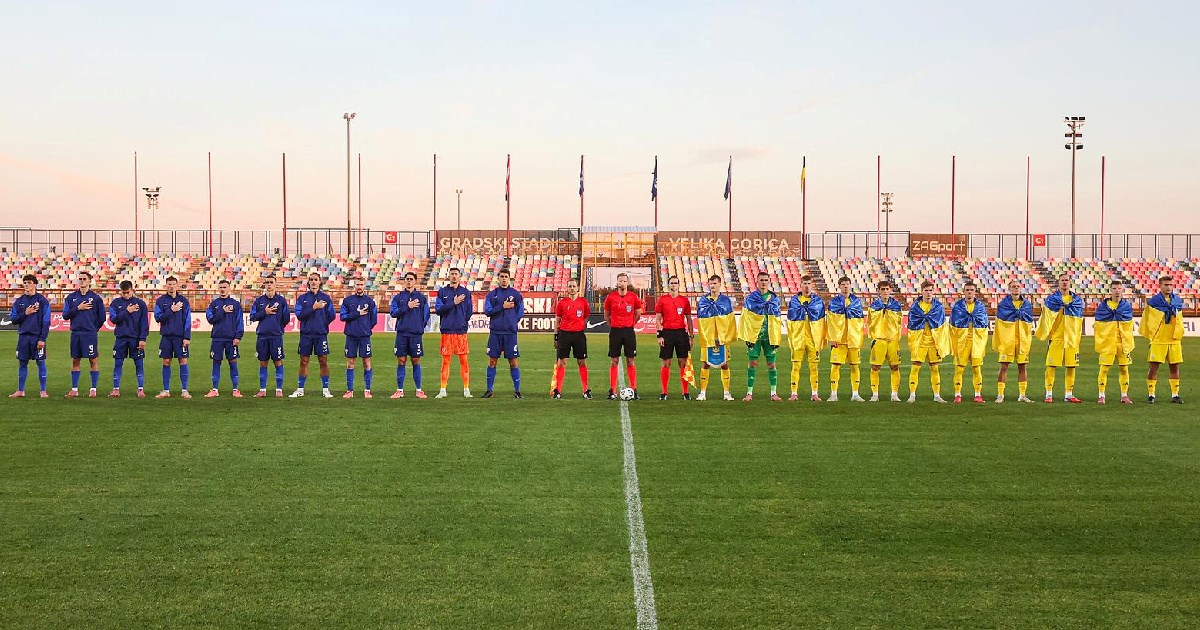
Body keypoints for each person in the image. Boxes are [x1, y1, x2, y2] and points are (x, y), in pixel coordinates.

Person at [1035, 273, 1084, 403]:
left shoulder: (1076, 300)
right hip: (1056, 338)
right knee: (1051, 366)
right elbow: (1046, 317)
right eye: (1062, 280)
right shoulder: (1052, 300)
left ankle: (1069, 394)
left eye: (1066, 280)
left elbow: (1079, 319)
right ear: (1059, 282)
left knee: (1071, 366)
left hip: (1071, 338)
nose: (1064, 282)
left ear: (1070, 282)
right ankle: (1048, 394)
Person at [738, 271, 782, 402]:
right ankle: (749, 393)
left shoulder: (774, 298)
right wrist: (747, 336)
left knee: (771, 364)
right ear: (757, 281)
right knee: (752, 363)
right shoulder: (751, 298)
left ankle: (773, 393)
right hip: (755, 336)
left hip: (769, 336)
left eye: (765, 280)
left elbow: (777, 318)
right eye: (761, 280)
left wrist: (777, 337)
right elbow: (746, 317)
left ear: (769, 281)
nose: (763, 282)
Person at [290, 272, 335, 398]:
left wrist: (322, 323)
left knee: (323, 361)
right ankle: (300, 389)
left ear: (320, 282)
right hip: (306, 334)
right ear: (308, 282)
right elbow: (299, 315)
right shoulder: (302, 298)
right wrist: (313, 308)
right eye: (311, 280)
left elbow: (331, 315)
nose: (314, 282)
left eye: (316, 279)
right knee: (304, 361)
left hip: (321, 334)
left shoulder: (326, 298)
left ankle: (325, 389)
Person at [1141, 274, 1185, 404]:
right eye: (1166, 285)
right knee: (1153, 368)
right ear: (1160, 286)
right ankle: (1151, 394)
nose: (1169, 287)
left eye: (1170, 285)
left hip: (1174, 339)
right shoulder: (1153, 302)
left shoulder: (1177, 301)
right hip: (1159, 340)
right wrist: (1151, 335)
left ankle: (1175, 395)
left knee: (1175, 368)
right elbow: (1147, 320)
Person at [62, 270, 105, 398]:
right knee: (75, 360)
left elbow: (102, 318)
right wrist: (77, 308)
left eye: (84, 279)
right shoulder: (71, 298)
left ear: (89, 281)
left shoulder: (96, 299)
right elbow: (65, 315)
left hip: (90, 334)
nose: (81, 281)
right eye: (80, 279)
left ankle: (93, 389)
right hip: (76, 333)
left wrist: (93, 328)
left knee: (93, 360)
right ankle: (74, 389)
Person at [906, 280, 950, 403]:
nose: (928, 293)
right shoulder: (915, 307)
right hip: (919, 341)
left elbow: (942, 325)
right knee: (915, 368)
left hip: (933, 342)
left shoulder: (938, 307)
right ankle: (912, 395)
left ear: (933, 291)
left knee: (935, 368)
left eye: (930, 290)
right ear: (922, 292)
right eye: (926, 290)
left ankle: (937, 395)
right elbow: (911, 324)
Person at [483, 268, 524, 398]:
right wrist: (502, 307)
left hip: (510, 333)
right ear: (498, 279)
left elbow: (520, 312)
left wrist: (512, 321)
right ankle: (489, 390)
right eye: (502, 276)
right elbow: (487, 311)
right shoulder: (492, 295)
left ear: (509, 279)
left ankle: (517, 391)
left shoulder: (516, 294)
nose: (504, 279)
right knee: (492, 361)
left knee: (513, 362)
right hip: (495, 332)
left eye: (506, 277)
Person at [9, 274, 51, 398]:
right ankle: (20, 391)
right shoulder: (19, 301)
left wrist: (42, 339)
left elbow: (46, 321)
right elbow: (13, 319)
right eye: (25, 283)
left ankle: (43, 391)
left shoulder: (42, 301)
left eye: (29, 282)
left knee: (40, 362)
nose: (26, 285)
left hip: (37, 337)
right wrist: (25, 313)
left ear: (35, 284)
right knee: (22, 363)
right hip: (23, 337)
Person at [389, 271, 430, 399]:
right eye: (407, 279)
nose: (409, 281)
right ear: (404, 281)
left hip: (415, 334)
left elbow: (426, 315)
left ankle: (419, 390)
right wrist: (407, 306)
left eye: (411, 279)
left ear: (415, 281)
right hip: (402, 334)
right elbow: (393, 313)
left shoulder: (421, 298)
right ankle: (400, 390)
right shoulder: (398, 298)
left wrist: (419, 326)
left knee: (416, 360)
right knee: (401, 361)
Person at [695, 275, 736, 401]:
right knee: (705, 364)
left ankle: (726, 392)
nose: (712, 286)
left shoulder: (726, 300)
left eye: (715, 283)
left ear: (720, 284)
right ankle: (702, 392)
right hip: (708, 338)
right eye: (711, 283)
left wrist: (724, 336)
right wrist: (708, 336)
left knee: (724, 364)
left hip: (722, 338)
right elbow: (701, 321)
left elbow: (730, 320)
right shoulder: (703, 300)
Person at [435, 267, 474, 398]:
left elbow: (469, 311)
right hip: (447, 331)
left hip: (460, 332)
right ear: (449, 276)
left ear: (459, 276)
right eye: (451, 274)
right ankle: (443, 389)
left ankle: (466, 389)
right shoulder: (442, 292)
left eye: (456, 274)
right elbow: (438, 310)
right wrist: (453, 303)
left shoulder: (466, 292)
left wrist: (461, 320)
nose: (454, 276)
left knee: (464, 361)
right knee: (446, 362)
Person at [604, 272, 644, 400]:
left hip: (629, 332)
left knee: (630, 360)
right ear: (617, 283)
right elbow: (606, 315)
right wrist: (613, 325)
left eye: (624, 281)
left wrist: (631, 324)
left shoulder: (633, 297)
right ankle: (612, 390)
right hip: (615, 331)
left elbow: (638, 313)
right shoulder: (610, 297)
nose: (622, 283)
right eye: (620, 281)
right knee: (614, 361)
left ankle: (634, 389)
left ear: (627, 283)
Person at [1094, 280, 1135, 404]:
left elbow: (1129, 324)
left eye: (1119, 288)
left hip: (1123, 343)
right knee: (1104, 369)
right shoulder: (1103, 307)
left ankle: (1124, 395)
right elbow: (1098, 324)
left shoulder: (1126, 307)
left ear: (1122, 290)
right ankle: (1101, 395)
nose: (1117, 291)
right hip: (1108, 343)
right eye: (1114, 289)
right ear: (1110, 291)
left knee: (1124, 369)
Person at [993, 279, 1034, 403]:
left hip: (1022, 340)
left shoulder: (1026, 304)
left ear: (1020, 288)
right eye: (1013, 286)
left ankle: (1022, 395)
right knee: (1004, 366)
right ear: (1009, 289)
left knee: (1023, 366)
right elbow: (1000, 322)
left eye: (1017, 286)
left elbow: (1028, 320)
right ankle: (1000, 394)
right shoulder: (1003, 304)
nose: (1016, 288)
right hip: (1008, 340)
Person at [654, 275, 694, 401]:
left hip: (681, 333)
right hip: (667, 333)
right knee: (666, 362)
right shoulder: (662, 300)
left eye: (676, 283)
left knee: (683, 362)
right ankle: (664, 392)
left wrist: (691, 336)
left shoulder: (684, 300)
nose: (673, 285)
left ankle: (685, 392)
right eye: (671, 283)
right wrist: (659, 335)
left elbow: (689, 319)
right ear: (668, 285)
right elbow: (658, 319)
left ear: (679, 285)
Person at [249, 275, 289, 398]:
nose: (269, 284)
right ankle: (262, 390)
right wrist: (264, 312)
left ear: (275, 284)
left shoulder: (281, 301)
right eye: (267, 282)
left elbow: (286, 318)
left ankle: (279, 389)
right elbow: (252, 316)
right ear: (265, 285)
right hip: (262, 337)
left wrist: (277, 326)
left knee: (278, 362)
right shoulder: (259, 301)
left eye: (271, 282)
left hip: (276, 336)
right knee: (263, 363)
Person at [826, 276, 865, 402]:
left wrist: (858, 337)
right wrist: (832, 338)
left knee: (855, 366)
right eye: (843, 284)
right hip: (839, 340)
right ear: (839, 286)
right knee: (835, 366)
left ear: (850, 285)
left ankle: (855, 394)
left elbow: (860, 321)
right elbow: (830, 321)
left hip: (853, 339)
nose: (845, 286)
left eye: (847, 284)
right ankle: (833, 394)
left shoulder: (856, 302)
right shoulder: (834, 302)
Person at [108, 280, 149, 398]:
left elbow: (144, 322)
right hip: (120, 338)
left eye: (128, 292)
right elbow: (113, 319)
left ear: (132, 290)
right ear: (120, 291)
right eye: (123, 293)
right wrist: (126, 311)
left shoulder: (140, 304)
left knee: (139, 363)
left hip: (135, 339)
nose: (126, 295)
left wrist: (143, 338)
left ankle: (140, 389)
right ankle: (116, 389)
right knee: (118, 363)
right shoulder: (115, 303)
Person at [950, 281, 989, 403]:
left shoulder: (980, 307)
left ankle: (978, 395)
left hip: (976, 340)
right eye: (967, 290)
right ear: (964, 292)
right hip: (962, 341)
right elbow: (952, 324)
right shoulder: (957, 307)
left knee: (976, 368)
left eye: (971, 290)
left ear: (975, 292)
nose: (969, 292)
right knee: (959, 369)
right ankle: (957, 394)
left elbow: (984, 323)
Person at [205, 279, 245, 397]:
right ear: (218, 289)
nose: (223, 289)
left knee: (233, 361)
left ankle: (235, 389)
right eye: (221, 287)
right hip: (217, 338)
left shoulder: (235, 304)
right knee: (216, 362)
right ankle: (214, 389)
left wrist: (238, 336)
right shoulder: (214, 304)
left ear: (229, 288)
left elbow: (239, 321)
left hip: (231, 338)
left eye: (225, 287)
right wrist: (222, 311)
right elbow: (210, 319)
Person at [154, 275, 192, 398]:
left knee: (183, 361)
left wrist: (187, 337)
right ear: (166, 286)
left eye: (173, 284)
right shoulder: (160, 301)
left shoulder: (184, 301)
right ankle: (166, 390)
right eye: (169, 284)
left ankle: (184, 390)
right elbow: (157, 317)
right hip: (166, 336)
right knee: (166, 361)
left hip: (180, 337)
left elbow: (187, 320)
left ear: (177, 285)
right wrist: (171, 310)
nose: (171, 286)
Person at [552, 278, 591, 399]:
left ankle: (586, 390)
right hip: (564, 334)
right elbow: (557, 320)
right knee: (562, 362)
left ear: (577, 288)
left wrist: (579, 326)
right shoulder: (562, 303)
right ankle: (558, 390)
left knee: (581, 361)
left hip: (579, 335)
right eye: (570, 286)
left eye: (574, 286)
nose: (572, 288)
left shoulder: (583, 302)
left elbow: (586, 317)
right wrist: (556, 336)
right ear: (567, 288)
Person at [339, 276, 377, 398]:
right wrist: (356, 314)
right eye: (357, 284)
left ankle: (367, 390)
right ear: (354, 285)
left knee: (366, 361)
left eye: (361, 284)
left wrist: (365, 327)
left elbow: (374, 320)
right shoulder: (347, 301)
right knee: (350, 362)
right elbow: (342, 317)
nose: (359, 287)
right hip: (351, 335)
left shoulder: (370, 302)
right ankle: (349, 391)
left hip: (364, 336)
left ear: (365, 286)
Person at [867, 280, 903, 402]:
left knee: (895, 367)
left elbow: (899, 322)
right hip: (879, 340)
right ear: (879, 291)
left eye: (887, 289)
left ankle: (894, 394)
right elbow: (870, 322)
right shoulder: (873, 306)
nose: (885, 291)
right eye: (883, 289)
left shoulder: (896, 305)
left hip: (893, 340)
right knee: (875, 367)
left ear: (890, 290)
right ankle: (875, 394)